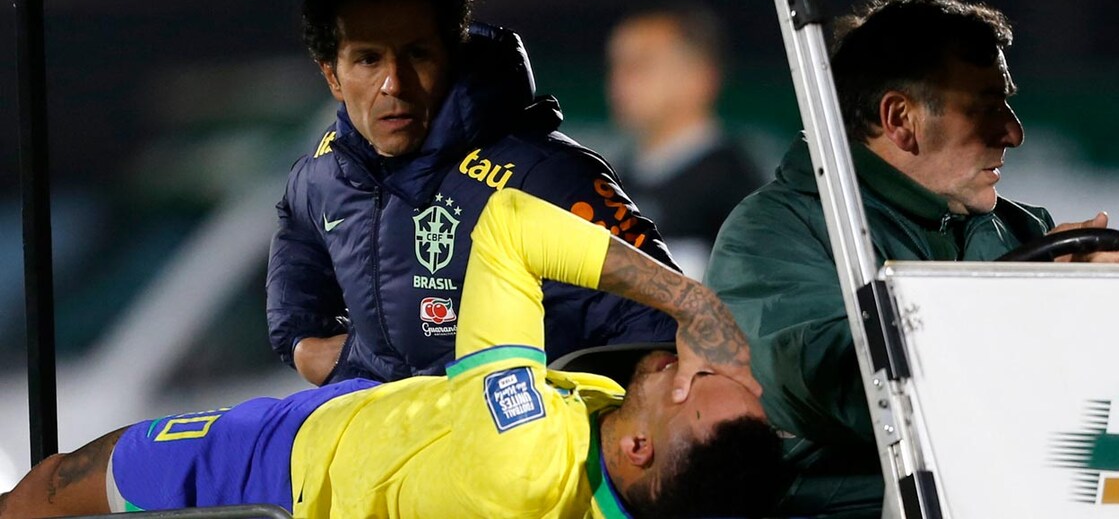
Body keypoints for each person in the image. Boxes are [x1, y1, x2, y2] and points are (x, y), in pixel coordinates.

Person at [0, 189, 786, 519]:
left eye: (698, 382)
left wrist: (692, 299)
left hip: (294, 467)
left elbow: (508, 226)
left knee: (53, 485)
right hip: (377, 432)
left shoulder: (524, 457)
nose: (698, 362)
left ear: (641, 447)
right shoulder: (638, 468)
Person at [705, 0, 1119, 517]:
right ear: (901, 118)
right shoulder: (773, 235)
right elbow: (852, 387)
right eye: (986, 108)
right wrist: (1034, 306)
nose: (1013, 132)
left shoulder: (1024, 230)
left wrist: (1097, 304)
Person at [268, 0, 679, 387]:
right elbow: (298, 241)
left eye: (418, 54)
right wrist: (307, 346)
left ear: (451, 53)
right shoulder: (327, 173)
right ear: (332, 75)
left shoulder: (546, 177)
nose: (395, 84)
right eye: (368, 59)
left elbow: (662, 330)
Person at [606, 6, 765, 278]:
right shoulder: (611, 180)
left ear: (699, 77)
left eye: (640, 65)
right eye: (615, 65)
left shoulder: (736, 193)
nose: (619, 81)